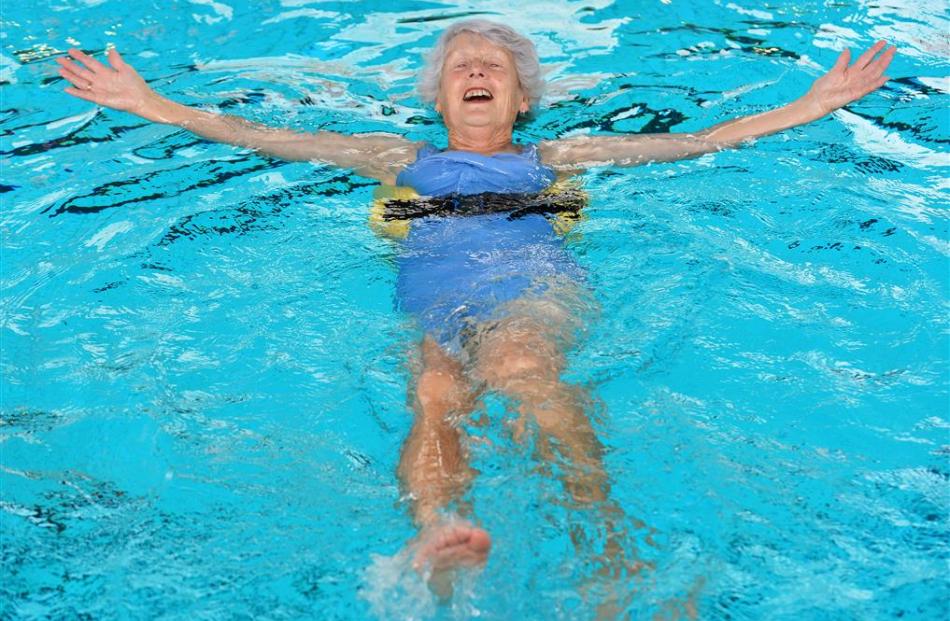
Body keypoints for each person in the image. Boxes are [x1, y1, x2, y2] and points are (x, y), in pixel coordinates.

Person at [57, 18, 895, 608]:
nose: (477, 73)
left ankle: (609, 547)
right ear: (441, 98)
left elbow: (692, 143)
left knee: (520, 368)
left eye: (493, 65)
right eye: (460, 66)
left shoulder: (553, 155)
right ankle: (439, 536)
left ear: (521, 97)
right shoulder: (398, 157)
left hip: (530, 291)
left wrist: (808, 107)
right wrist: (156, 106)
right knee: (432, 392)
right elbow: (264, 138)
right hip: (435, 304)